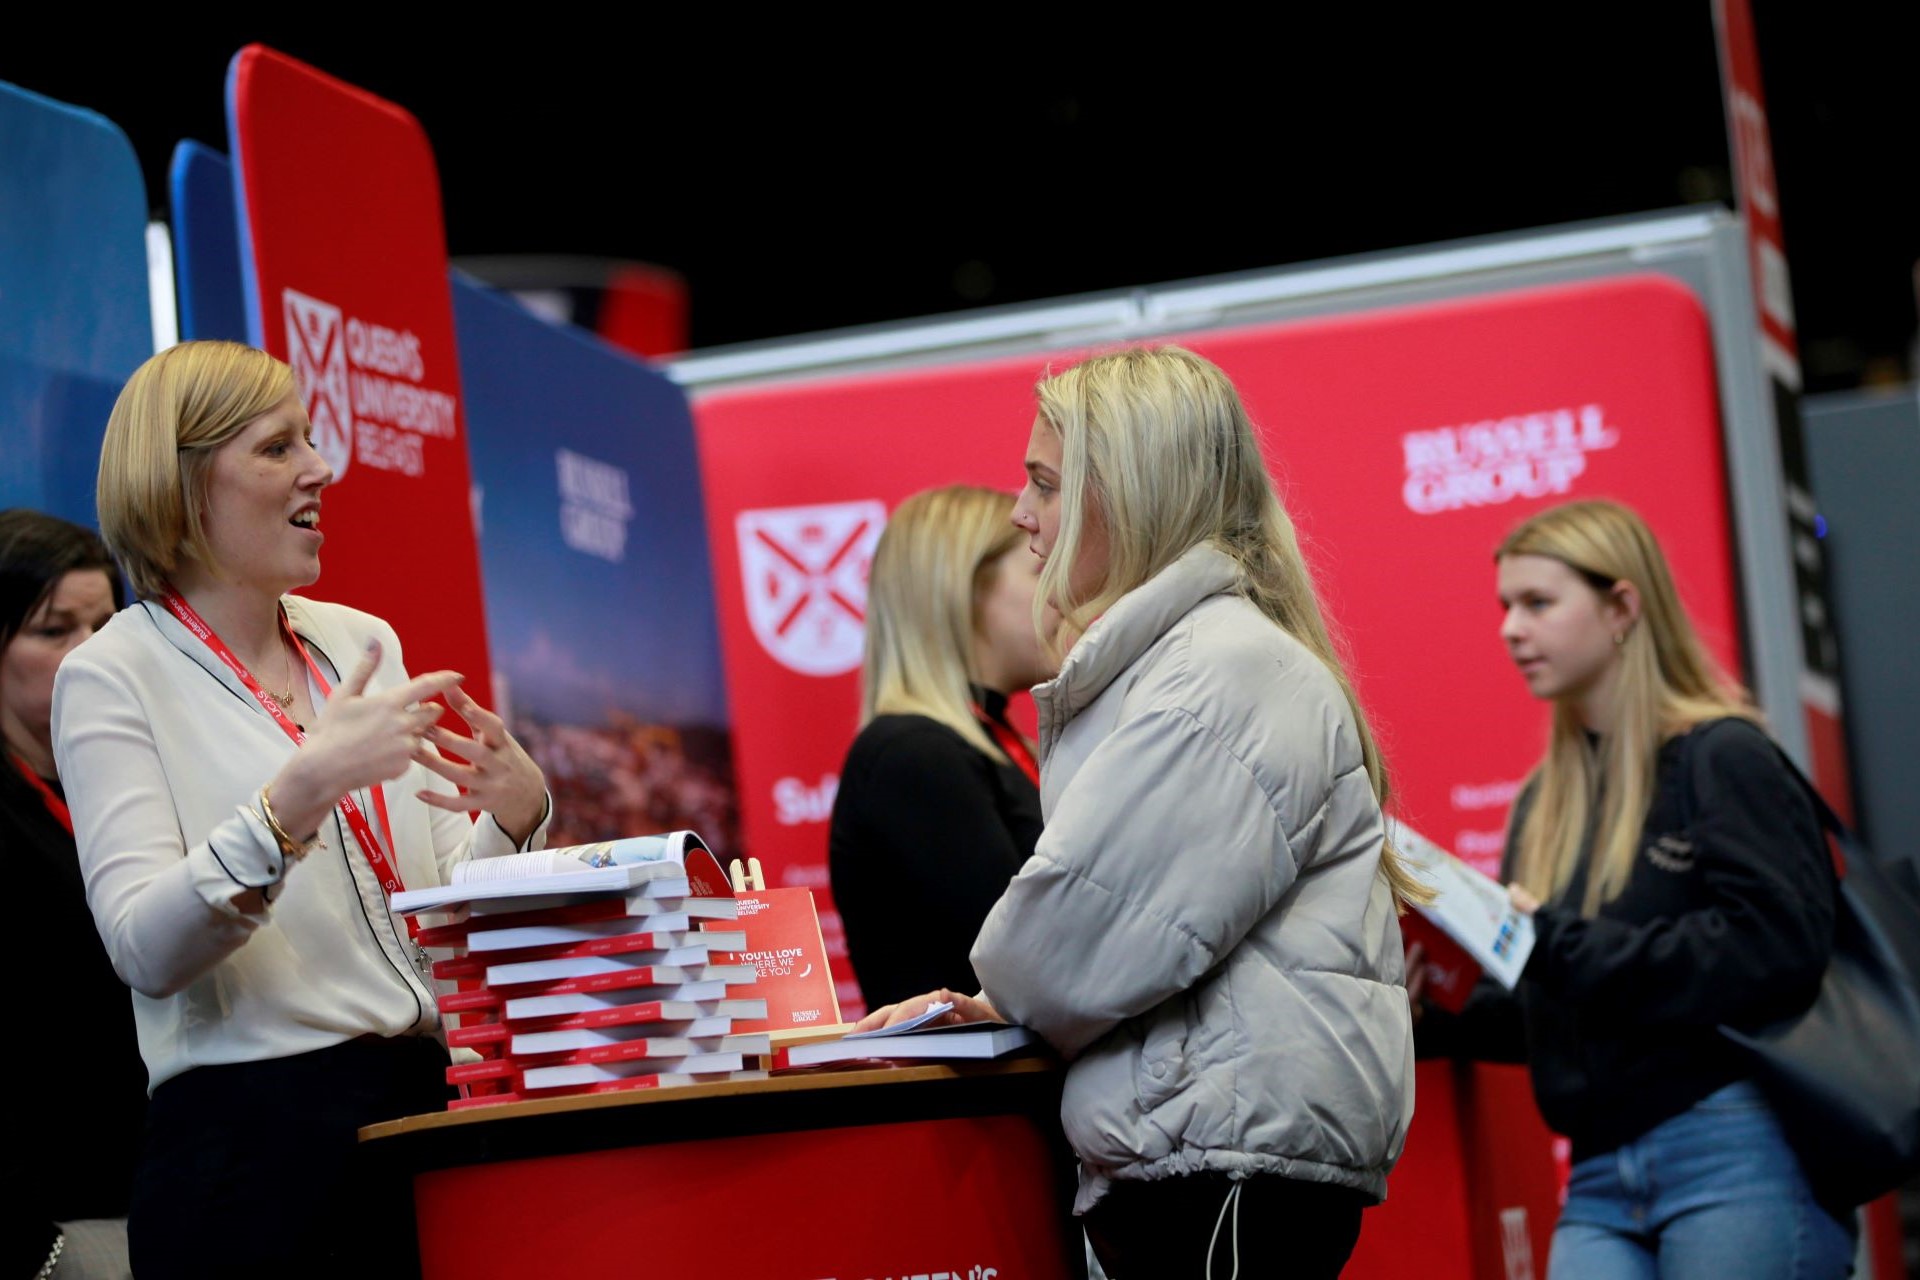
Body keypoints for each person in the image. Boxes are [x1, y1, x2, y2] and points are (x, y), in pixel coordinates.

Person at [859, 345, 1427, 1278]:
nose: (1020, 514)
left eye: (1045, 483)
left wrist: (1003, 991)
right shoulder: (1209, 661)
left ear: (1127, 493)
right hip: (1215, 1167)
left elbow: (1076, 936)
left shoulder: (1218, 670)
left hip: (1219, 1175)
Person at [51, 340, 552, 1280]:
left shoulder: (361, 641)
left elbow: (444, 915)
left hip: (425, 1116)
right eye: (278, 447)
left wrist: (515, 818)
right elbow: (143, 949)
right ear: (185, 486)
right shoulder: (112, 673)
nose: (321, 468)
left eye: (310, 440)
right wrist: (292, 803)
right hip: (251, 1159)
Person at [1413, 498, 1853, 1279]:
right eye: (1505, 606)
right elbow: (1557, 1006)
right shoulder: (1544, 800)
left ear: (1622, 607)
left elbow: (1776, 949)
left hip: (1739, 1146)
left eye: (1539, 603)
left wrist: (1554, 942)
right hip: (1598, 1174)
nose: (1511, 628)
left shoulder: (1724, 757)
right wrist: (1433, 1011)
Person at [828, 485, 1055, 1008]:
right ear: (967, 591)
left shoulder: (985, 741)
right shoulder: (913, 755)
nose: (1066, 596)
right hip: (971, 1088)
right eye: (1042, 573)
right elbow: (1032, 955)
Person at [0, 510, 140, 1280]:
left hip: (160, 1205)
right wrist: (40, 1252)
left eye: (104, 623)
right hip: (62, 1229)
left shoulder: (129, 794)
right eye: (55, 630)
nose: (90, 653)